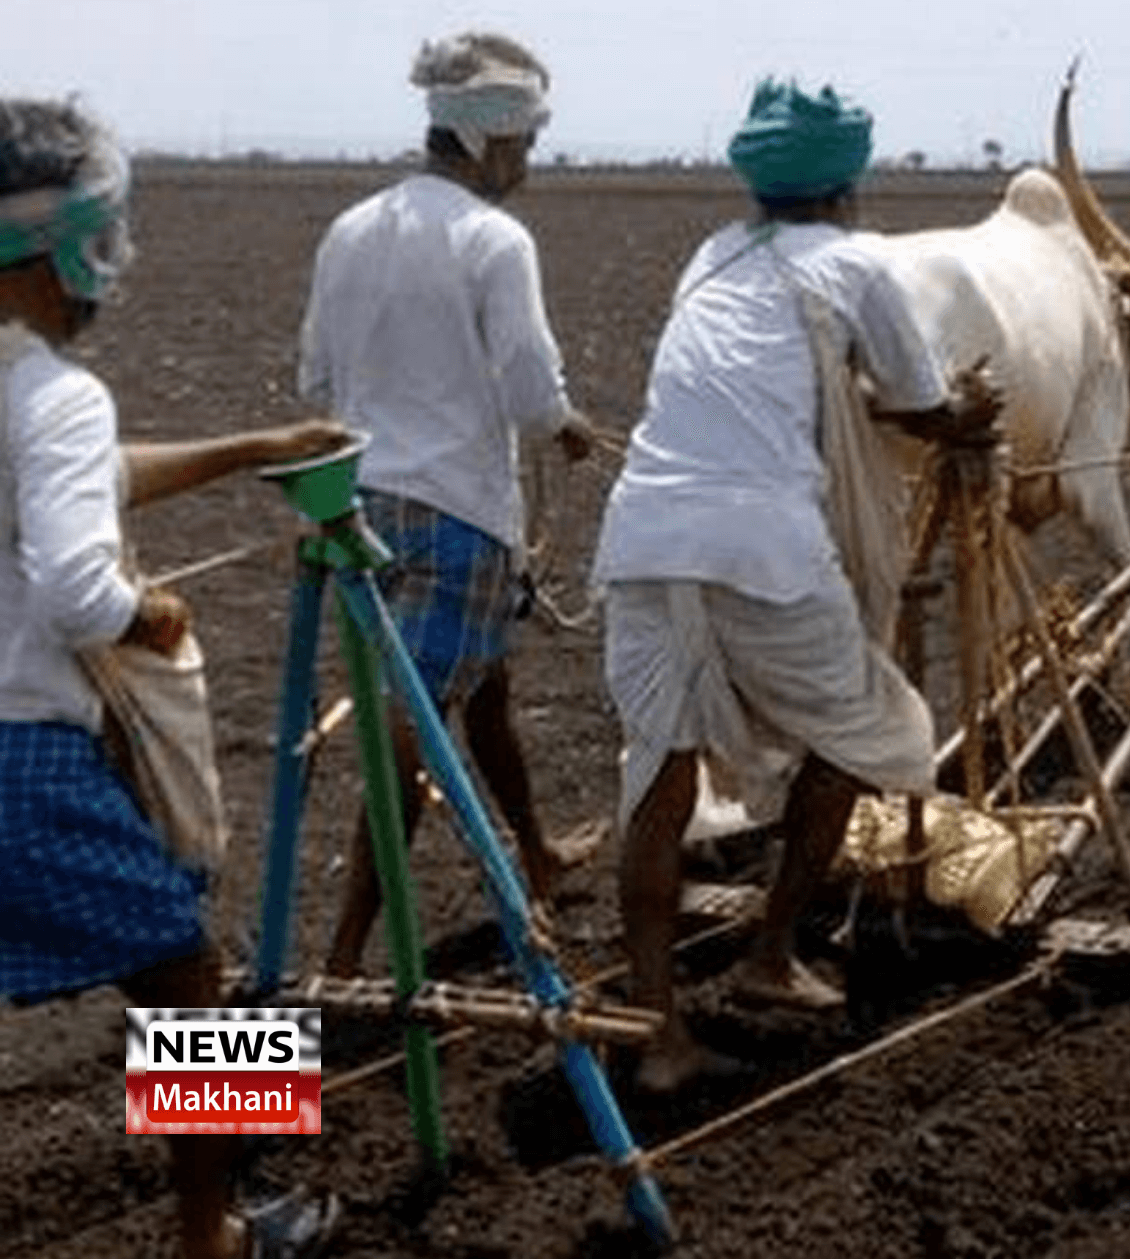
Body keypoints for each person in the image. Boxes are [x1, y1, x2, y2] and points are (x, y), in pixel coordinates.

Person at [593, 78, 1002, 1091]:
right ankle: (771, 951)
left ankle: (653, 1033)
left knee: (656, 773)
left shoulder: (712, 254)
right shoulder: (854, 262)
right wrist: (963, 414)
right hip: (755, 544)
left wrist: (271, 455)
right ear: (847, 184)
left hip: (627, 533)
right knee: (870, 729)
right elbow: (923, 408)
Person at [0, 97, 348, 1257]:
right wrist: (143, 611)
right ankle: (217, 1235)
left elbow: (86, 475)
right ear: (57, 254)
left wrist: (253, 449)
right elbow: (74, 586)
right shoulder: (52, 391)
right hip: (23, 756)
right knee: (186, 970)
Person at [299, 31, 598, 978]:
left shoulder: (350, 228)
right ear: (488, 140)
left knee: (487, 684)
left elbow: (314, 375)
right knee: (412, 733)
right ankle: (344, 959)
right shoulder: (495, 240)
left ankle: (538, 851)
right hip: (458, 516)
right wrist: (566, 426)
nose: (529, 163)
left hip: (358, 510)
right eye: (525, 144)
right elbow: (531, 393)